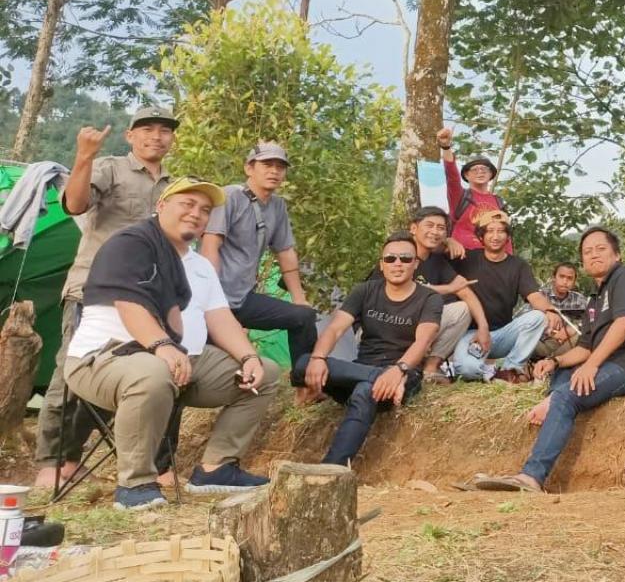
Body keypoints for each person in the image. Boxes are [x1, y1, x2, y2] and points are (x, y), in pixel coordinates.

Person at [63, 178, 280, 511]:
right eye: (187, 204)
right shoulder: (132, 243)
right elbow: (130, 304)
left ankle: (216, 468)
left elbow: (220, 318)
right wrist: (163, 346)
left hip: (184, 363)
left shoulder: (201, 266)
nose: (196, 213)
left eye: (204, 209)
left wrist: (248, 356)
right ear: (161, 206)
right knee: (152, 372)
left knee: (265, 373)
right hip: (105, 359)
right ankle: (135, 484)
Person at [33, 106, 177, 493]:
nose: (156, 136)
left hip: (145, 299)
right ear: (130, 136)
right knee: (71, 372)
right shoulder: (111, 168)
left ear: (172, 139)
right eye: (146, 129)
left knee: (122, 373)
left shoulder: (174, 186)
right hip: (92, 290)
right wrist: (84, 157)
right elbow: (75, 205)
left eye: (164, 130)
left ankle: (86, 462)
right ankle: (53, 465)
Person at [470, 226, 625, 493]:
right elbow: (585, 347)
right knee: (561, 371)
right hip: (613, 363)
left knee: (566, 395)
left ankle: (532, 477)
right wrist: (554, 361)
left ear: (617, 255)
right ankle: (554, 402)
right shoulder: (595, 298)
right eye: (587, 251)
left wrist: (591, 366)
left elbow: (624, 324)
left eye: (601, 249)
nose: (594, 255)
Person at [295, 233, 442, 467]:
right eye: (390, 258)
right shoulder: (365, 290)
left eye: (405, 258)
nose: (397, 264)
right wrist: (319, 357)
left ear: (415, 263)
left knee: (366, 390)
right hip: (363, 369)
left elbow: (422, 342)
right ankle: (375, 376)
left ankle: (331, 468)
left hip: (405, 374)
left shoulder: (430, 298)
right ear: (381, 264)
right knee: (304, 363)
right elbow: (335, 329)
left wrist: (398, 370)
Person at [200, 142, 318, 370]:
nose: (274, 171)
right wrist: (210, 297)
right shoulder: (229, 196)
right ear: (249, 168)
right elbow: (210, 246)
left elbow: (285, 251)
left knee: (303, 316)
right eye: (267, 164)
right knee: (207, 363)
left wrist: (298, 297)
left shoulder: (277, 206)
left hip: (244, 299)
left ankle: (304, 383)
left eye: (280, 167)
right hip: (215, 299)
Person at [370, 206, 487, 384]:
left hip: (415, 327)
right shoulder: (397, 256)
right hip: (383, 326)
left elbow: (464, 290)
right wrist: (449, 288)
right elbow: (406, 290)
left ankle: (430, 368)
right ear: (413, 228)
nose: (435, 232)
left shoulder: (436, 261)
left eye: (441, 228)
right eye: (429, 225)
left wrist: (483, 327)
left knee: (462, 309)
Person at [448, 211, 552, 382]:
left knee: (538, 317)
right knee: (467, 370)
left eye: (501, 231)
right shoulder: (467, 258)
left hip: (504, 333)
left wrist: (550, 311)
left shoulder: (518, 265)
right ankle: (490, 372)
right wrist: (448, 241)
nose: (495, 236)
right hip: (473, 333)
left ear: (507, 236)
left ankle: (510, 369)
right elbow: (435, 253)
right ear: (481, 236)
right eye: (490, 231)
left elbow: (534, 295)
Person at [437, 127, 510, 252]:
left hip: (491, 258)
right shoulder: (461, 196)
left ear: (491, 174)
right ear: (466, 175)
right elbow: (452, 176)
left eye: (484, 169)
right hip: (463, 256)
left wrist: (509, 259)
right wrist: (446, 147)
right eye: (475, 169)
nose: (480, 172)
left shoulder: (498, 201)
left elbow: (505, 235)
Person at [530, 262, 588, 363]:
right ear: (554, 277)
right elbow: (526, 322)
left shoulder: (579, 299)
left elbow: (592, 321)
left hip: (566, 345)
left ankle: (552, 362)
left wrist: (573, 329)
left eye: (570, 278)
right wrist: (550, 331)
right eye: (561, 277)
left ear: (574, 282)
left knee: (583, 337)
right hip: (541, 343)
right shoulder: (540, 296)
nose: (565, 281)